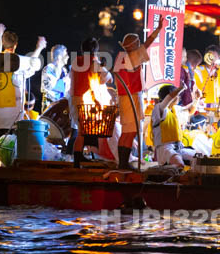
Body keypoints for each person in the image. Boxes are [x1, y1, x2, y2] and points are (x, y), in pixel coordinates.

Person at [113, 16, 167, 170]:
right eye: (137, 43)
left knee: (126, 133)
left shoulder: (120, 58)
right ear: (132, 46)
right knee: (130, 133)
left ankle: (122, 163)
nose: (139, 45)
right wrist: (158, 29)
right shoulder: (131, 57)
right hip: (131, 98)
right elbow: (147, 44)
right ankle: (123, 164)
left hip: (124, 98)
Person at [0, 31, 45, 162]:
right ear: (16, 45)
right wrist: (39, 47)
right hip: (14, 106)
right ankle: (10, 160)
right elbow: (33, 63)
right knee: (13, 134)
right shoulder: (19, 61)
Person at [71, 37, 111, 165]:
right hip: (87, 100)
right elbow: (107, 79)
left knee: (81, 130)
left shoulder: (76, 61)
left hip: (75, 98)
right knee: (83, 131)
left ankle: (79, 157)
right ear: (96, 50)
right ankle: (77, 160)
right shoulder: (94, 62)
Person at [151, 84, 194, 166]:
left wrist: (197, 99)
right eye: (177, 95)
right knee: (179, 163)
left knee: (199, 159)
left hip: (178, 147)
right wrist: (181, 88)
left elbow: (190, 110)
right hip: (165, 148)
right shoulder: (159, 108)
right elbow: (168, 99)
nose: (179, 97)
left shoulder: (175, 109)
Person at [41, 44, 69, 112]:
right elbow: (48, 86)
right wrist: (64, 80)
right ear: (59, 57)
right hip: (49, 108)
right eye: (66, 55)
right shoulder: (48, 69)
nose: (68, 57)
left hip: (61, 107)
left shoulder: (64, 71)